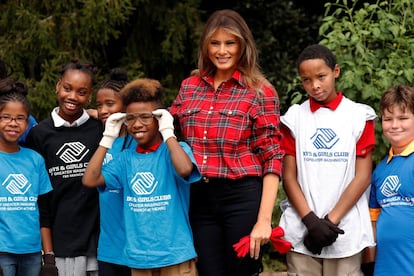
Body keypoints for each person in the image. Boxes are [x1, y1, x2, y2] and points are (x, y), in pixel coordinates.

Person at [169, 9, 284, 276]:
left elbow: (272, 157)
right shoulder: (189, 87)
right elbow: (162, 126)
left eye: (230, 43)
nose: (222, 51)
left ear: (243, 46)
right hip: (198, 198)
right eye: (215, 43)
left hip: (242, 197)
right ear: (205, 46)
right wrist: (109, 115)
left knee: (242, 272)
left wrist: (264, 221)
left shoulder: (260, 91)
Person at [83, 78, 201, 276]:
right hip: (139, 259)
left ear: (159, 118)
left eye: (146, 117)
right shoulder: (125, 159)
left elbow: (184, 170)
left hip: (175, 256)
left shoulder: (175, 151)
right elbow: (90, 180)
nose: (137, 124)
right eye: (131, 118)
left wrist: (168, 132)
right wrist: (107, 137)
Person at [278, 44, 376, 275]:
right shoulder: (294, 118)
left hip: (345, 230)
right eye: (307, 80)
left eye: (321, 76)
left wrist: (330, 221)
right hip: (302, 230)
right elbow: (289, 177)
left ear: (336, 72)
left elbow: (362, 176)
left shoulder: (359, 116)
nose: (315, 85)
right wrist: (311, 222)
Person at [25, 60, 103, 276]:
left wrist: (100, 114)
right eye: (67, 88)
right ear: (58, 86)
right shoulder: (39, 134)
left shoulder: (100, 130)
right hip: (62, 243)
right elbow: (38, 196)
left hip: (99, 241)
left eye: (81, 92)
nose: (72, 97)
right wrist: (47, 252)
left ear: (89, 96)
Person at [0, 79, 53, 276]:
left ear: (28, 122)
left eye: (20, 118)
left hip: (31, 252)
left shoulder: (35, 159)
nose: (13, 123)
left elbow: (43, 210)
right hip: (2, 252)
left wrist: (49, 256)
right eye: (6, 117)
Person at [368, 85, 414, 275]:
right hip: (384, 268)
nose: (395, 125)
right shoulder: (380, 170)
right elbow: (373, 221)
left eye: (403, 118)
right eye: (388, 119)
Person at [95, 68, 134, 276]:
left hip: (137, 247)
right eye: (99, 105)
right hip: (109, 248)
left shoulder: (139, 142)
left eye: (109, 104)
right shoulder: (102, 143)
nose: (102, 111)